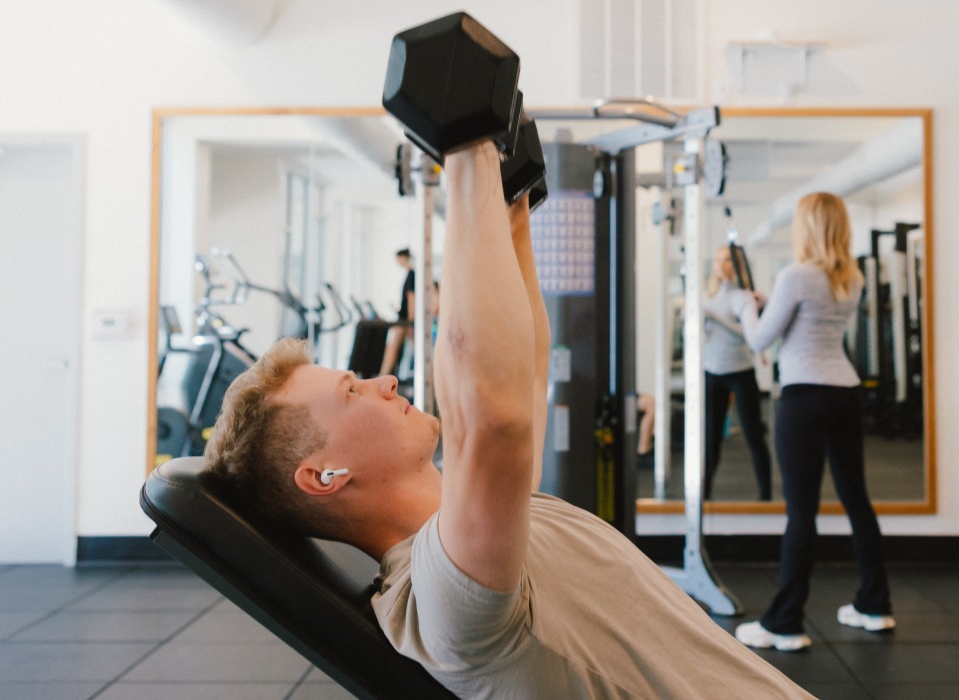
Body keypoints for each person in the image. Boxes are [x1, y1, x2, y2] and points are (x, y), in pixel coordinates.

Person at [201, 143, 810, 698]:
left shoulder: (499, 525)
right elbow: (490, 412)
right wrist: (465, 150)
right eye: (352, 390)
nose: (385, 382)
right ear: (324, 475)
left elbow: (525, 370)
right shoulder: (440, 598)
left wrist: (512, 205)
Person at [729, 192, 897, 652]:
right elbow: (811, 321)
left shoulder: (795, 276)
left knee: (801, 511)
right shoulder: (852, 278)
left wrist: (746, 305)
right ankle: (875, 605)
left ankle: (784, 622)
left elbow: (762, 336)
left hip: (804, 397)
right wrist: (769, 300)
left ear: (807, 228)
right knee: (856, 500)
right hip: (845, 392)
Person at [701, 245, 774, 501]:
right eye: (718, 259)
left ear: (736, 265)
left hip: (740, 372)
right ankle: (703, 497)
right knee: (710, 441)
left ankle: (766, 497)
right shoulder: (709, 297)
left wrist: (713, 316)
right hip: (712, 372)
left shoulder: (743, 298)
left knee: (754, 435)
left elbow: (749, 334)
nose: (721, 264)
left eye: (727, 260)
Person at [377, 248, 415, 377]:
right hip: (404, 318)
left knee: (392, 347)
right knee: (393, 346)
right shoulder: (410, 274)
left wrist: (410, 321)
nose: (397, 262)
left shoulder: (411, 274)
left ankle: (383, 376)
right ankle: (383, 375)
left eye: (398, 259)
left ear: (404, 258)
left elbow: (411, 298)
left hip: (405, 320)